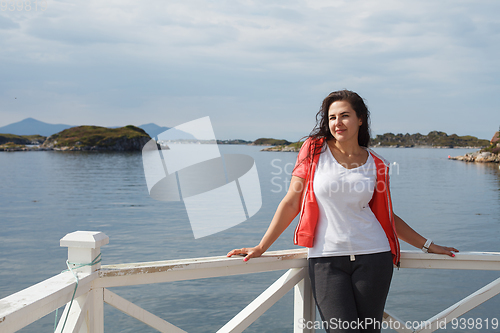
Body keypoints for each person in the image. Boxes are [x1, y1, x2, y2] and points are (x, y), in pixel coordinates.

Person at [227, 90, 459, 333]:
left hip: (374, 258)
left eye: (345, 115)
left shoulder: (377, 164)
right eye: (332, 117)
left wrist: (428, 245)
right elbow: (291, 202)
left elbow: (386, 216)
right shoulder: (314, 151)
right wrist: (261, 247)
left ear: (360, 119)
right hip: (326, 260)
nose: (337, 122)